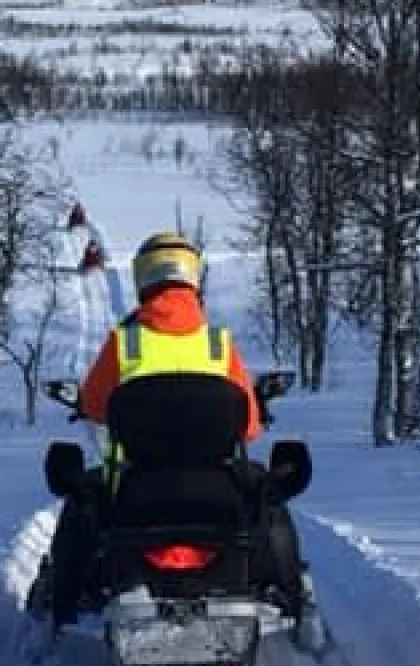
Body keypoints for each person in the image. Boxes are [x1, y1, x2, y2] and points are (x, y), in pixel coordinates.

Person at [40, 230, 309, 629]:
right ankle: (293, 599)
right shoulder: (218, 344)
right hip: (218, 487)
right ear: (193, 277)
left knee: (83, 503)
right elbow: (248, 424)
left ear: (142, 279)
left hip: (136, 486)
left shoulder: (124, 343)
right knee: (269, 504)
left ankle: (57, 608)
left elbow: (95, 405)